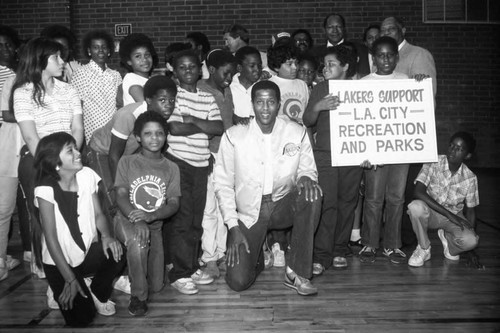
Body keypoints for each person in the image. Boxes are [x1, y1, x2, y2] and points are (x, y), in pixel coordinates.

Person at [215, 80, 321, 295]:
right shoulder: (234, 135)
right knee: (238, 282)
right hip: (249, 213)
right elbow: (223, 184)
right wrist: (233, 227)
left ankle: (296, 272)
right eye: (260, 102)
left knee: (313, 194)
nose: (265, 108)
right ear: (252, 104)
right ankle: (257, 258)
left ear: (279, 103)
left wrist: (307, 178)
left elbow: (308, 169)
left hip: (282, 204)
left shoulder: (295, 131)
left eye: (271, 102)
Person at [32, 132, 125, 327]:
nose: (77, 152)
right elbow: (51, 239)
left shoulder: (87, 175)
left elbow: (99, 214)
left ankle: (97, 292)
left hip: (85, 254)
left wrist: (107, 236)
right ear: (55, 160)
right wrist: (69, 279)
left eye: (75, 147)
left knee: (117, 251)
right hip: (59, 263)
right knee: (82, 320)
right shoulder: (45, 189)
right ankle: (70, 284)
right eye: (70, 151)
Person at [12, 37, 84, 278]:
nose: (63, 61)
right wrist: (53, 166)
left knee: (73, 216)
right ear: (40, 61)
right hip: (37, 162)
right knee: (43, 221)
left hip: (69, 162)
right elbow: (31, 137)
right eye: (57, 57)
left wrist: (70, 160)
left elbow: (78, 129)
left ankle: (80, 268)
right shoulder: (23, 93)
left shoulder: (70, 89)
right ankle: (51, 277)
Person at [165, 49, 223, 295]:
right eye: (182, 67)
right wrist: (201, 124)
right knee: (182, 220)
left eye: (192, 66)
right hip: (178, 163)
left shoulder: (207, 97)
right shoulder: (172, 96)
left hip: (201, 164)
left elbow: (218, 127)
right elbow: (175, 128)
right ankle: (179, 273)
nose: (188, 70)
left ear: (201, 69)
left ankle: (190, 266)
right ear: (174, 71)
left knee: (196, 221)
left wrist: (194, 121)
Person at [113, 111, 180, 316]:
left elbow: (174, 203)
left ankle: (129, 274)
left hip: (154, 224)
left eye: (159, 133)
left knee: (158, 285)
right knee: (138, 241)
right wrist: (138, 219)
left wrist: (151, 217)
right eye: (148, 133)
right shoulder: (127, 162)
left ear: (166, 136)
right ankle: (138, 297)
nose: (154, 138)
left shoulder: (171, 167)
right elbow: (121, 195)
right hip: (126, 219)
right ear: (138, 137)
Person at [302, 45, 362, 274]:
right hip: (326, 154)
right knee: (328, 203)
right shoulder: (321, 88)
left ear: (346, 67)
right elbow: (307, 120)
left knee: (348, 203)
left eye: (331, 64)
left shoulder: (360, 90)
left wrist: (370, 154)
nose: (325, 68)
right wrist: (318, 106)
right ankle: (321, 254)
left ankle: (339, 248)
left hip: (353, 155)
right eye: (324, 64)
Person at [88, 76, 177, 226]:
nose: (168, 105)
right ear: (149, 100)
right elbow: (114, 155)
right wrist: (119, 188)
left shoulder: (161, 115)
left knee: (133, 197)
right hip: (102, 152)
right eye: (162, 100)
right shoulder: (128, 116)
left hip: (126, 155)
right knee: (115, 199)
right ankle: (115, 242)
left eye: (172, 100)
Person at [357, 36, 411, 264]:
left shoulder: (406, 80)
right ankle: (369, 242)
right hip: (375, 152)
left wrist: (420, 84)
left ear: (397, 57)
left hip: (401, 149)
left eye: (390, 54)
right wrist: (363, 153)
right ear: (373, 58)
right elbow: (358, 122)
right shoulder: (364, 83)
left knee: (397, 199)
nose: (386, 59)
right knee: (373, 198)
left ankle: (392, 244)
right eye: (381, 55)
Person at [407, 132, 480, 267]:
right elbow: (418, 192)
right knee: (415, 207)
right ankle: (424, 248)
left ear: (468, 155)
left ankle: (449, 242)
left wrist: (471, 251)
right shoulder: (433, 162)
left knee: (471, 241)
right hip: (431, 212)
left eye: (459, 149)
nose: (453, 150)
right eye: (452, 146)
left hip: (454, 216)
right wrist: (448, 214)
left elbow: (471, 211)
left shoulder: (470, 178)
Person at [197, 49, 237, 278]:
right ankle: (209, 256)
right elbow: (203, 127)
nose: (230, 78)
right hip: (209, 156)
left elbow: (227, 119)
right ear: (211, 70)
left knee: (225, 207)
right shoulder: (202, 90)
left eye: (232, 74)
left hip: (227, 156)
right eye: (226, 73)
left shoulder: (226, 89)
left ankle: (221, 252)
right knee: (209, 209)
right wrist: (206, 155)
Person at [71, 30, 122, 143]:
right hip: (93, 131)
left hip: (114, 129)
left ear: (109, 51)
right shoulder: (81, 73)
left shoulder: (115, 75)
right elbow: (77, 106)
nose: (100, 51)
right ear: (89, 51)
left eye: (104, 47)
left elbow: (120, 104)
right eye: (95, 47)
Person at [0, 25, 22, 281]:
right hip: (6, 144)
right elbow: (6, 114)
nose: (4, 49)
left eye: (8, 44)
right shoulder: (6, 78)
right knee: (4, 208)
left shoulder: (22, 74)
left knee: (34, 208)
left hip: (27, 144)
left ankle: (38, 259)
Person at [380, 16, 437, 96]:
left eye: (391, 29)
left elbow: (426, 96)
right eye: (383, 30)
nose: (386, 33)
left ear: (403, 31)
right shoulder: (378, 58)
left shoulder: (419, 55)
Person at [267, 33, 309, 124]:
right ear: (276, 67)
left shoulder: (302, 84)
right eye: (289, 64)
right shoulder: (269, 85)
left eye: (296, 63)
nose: (295, 67)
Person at [313, 14, 370, 78]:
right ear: (324, 30)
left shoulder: (360, 50)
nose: (335, 30)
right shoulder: (314, 53)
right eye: (330, 27)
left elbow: (365, 75)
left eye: (338, 26)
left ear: (344, 29)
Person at [119, 33, 159, 106]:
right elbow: (148, 106)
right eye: (138, 56)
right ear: (129, 61)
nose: (144, 59)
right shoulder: (131, 78)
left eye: (147, 55)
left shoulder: (149, 80)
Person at [230, 46, 263, 123]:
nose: (257, 69)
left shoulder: (264, 87)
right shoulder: (229, 87)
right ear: (239, 68)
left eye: (259, 65)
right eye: (252, 66)